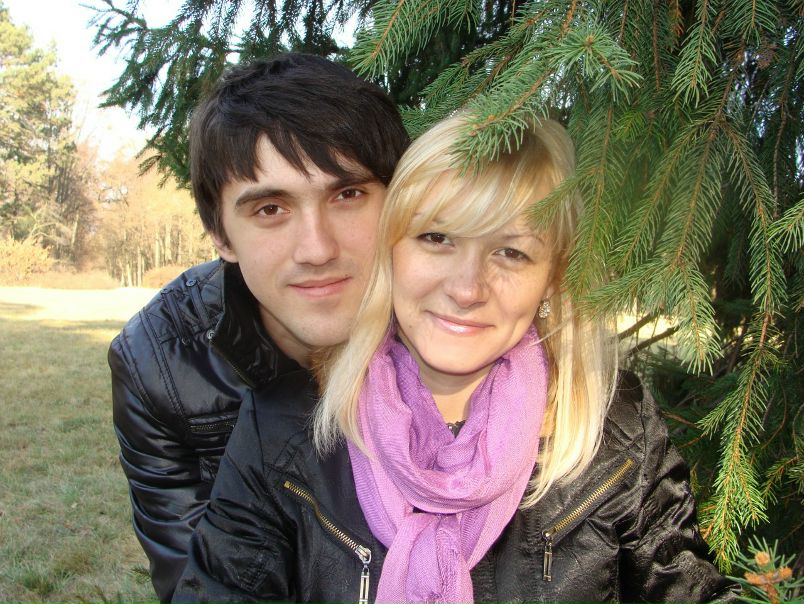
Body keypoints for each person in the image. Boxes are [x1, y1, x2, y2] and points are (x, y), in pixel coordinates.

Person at [172, 114, 739, 603]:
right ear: (390, 246)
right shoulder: (282, 430)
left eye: (511, 252)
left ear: (552, 277)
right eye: (437, 238)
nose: (467, 288)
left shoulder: (615, 430)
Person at [108, 53, 409, 603]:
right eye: (270, 209)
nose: (317, 249)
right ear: (221, 235)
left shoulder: (456, 326)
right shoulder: (160, 365)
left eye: (347, 194)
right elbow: (200, 582)